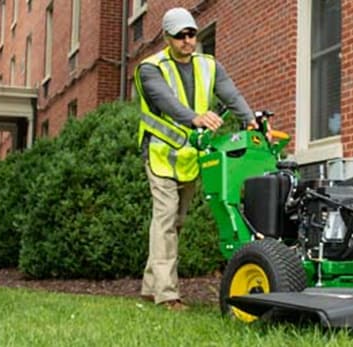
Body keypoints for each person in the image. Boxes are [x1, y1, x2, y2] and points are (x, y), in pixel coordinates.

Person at [135, 7, 253, 311]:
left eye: (191, 34)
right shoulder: (151, 68)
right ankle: (166, 294)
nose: (188, 41)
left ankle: (150, 286)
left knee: (176, 222)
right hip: (160, 154)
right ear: (166, 37)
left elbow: (231, 94)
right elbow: (166, 102)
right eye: (180, 36)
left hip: (190, 157)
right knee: (165, 218)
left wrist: (250, 120)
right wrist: (195, 118)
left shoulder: (209, 66)